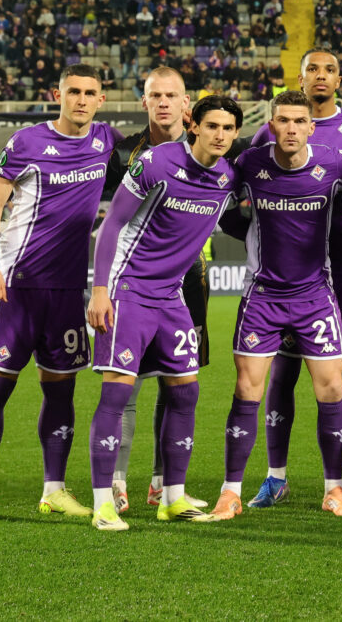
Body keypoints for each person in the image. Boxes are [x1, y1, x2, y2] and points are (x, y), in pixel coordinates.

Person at [0, 64, 121, 523]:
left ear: (101, 100)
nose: (80, 99)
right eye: (73, 91)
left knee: (61, 391)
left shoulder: (106, 141)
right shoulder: (28, 142)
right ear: (58, 94)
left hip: (68, 290)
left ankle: (54, 488)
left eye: (89, 92)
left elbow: (153, 150)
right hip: (17, 285)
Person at [86, 95, 243, 530]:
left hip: (172, 296)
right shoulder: (156, 163)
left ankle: (172, 497)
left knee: (186, 390)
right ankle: (103, 502)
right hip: (129, 289)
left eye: (228, 129)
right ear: (194, 125)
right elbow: (112, 224)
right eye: (212, 126)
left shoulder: (228, 176)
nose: (220, 135)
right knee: (117, 393)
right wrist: (100, 291)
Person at [243, 50, 342, 510]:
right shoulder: (271, 137)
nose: (320, 76)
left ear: (340, 78)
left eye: (328, 69)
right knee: (280, 373)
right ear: (300, 78)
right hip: (287, 271)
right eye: (312, 70)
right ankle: (275, 476)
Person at [211, 91, 342, 521]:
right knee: (246, 390)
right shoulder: (251, 165)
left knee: (332, 389)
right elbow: (222, 207)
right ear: (271, 125)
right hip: (263, 297)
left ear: (311, 127)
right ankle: (230, 491)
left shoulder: (334, 165)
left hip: (317, 296)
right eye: (283, 121)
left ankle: (334, 489)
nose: (291, 128)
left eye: (299, 121)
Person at [102, 67, 210, 514]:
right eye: (155, 95)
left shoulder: (209, 146)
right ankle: (116, 481)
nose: (164, 102)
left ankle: (165, 486)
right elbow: (106, 216)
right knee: (126, 386)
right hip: (135, 279)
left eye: (172, 95)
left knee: (178, 384)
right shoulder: (125, 151)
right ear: (143, 101)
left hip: (192, 280)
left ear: (187, 104)